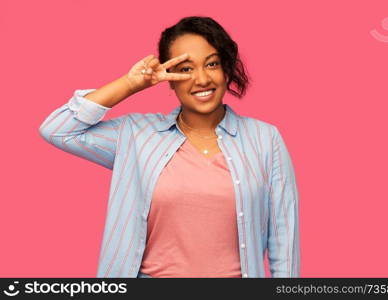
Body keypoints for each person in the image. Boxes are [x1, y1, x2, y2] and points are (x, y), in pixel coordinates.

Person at [39, 16, 300, 278]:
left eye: (212, 64)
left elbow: (284, 236)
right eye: (185, 69)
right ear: (169, 78)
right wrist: (130, 84)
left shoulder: (265, 139)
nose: (201, 79)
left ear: (226, 69)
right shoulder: (136, 135)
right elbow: (57, 130)